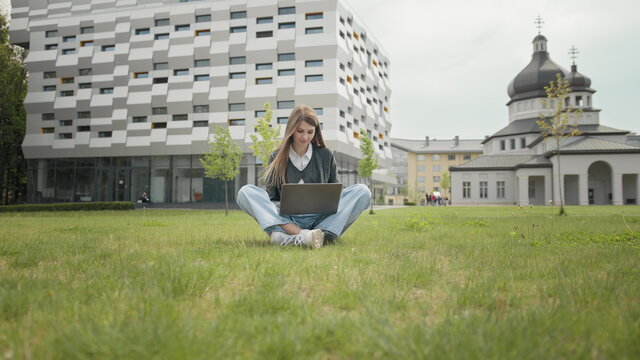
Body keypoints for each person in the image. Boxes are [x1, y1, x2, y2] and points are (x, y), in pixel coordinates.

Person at [237, 105, 371, 249]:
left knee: (363, 191)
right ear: (291, 130)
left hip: (321, 219)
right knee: (245, 192)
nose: (305, 137)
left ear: (316, 131)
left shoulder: (325, 155)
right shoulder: (276, 157)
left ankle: (305, 236)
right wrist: (282, 217)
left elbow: (336, 194)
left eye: (310, 132)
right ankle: (303, 235)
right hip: (288, 220)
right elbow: (271, 198)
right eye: (300, 131)